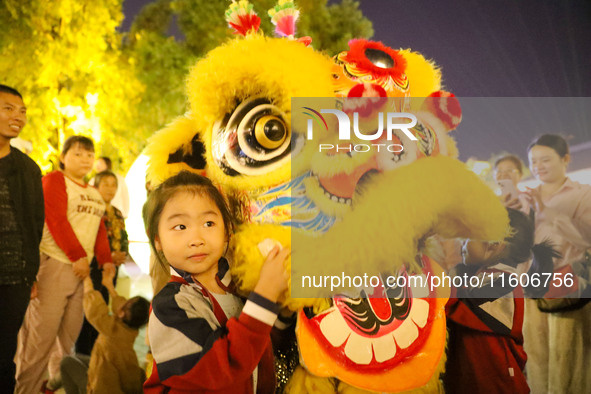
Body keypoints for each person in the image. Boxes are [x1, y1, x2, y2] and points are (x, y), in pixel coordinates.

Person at [142, 171, 290, 393]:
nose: (196, 239)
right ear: (157, 239)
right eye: (180, 227)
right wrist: (266, 294)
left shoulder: (239, 287)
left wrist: (282, 309)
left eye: (209, 223)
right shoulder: (169, 307)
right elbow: (221, 372)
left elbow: (262, 343)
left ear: (227, 230)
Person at [15, 136, 116, 394]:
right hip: (56, 265)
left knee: (68, 337)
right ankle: (24, 388)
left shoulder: (93, 192)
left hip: (82, 272)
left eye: (90, 156)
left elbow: (99, 229)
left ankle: (51, 385)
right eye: (78, 154)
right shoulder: (54, 181)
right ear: (63, 157)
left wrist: (105, 260)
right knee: (40, 339)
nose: (86, 160)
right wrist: (77, 255)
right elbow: (55, 220)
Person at [444, 208, 556, 394]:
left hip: (498, 384)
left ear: (494, 244)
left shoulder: (505, 285)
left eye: (469, 237)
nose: (462, 244)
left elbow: (456, 306)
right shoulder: (481, 275)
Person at [522, 134, 591, 394]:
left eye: (545, 159)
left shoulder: (583, 193)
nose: (538, 166)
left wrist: (551, 214)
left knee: (569, 359)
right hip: (533, 285)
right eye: (533, 161)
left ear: (565, 159)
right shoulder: (526, 196)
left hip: (567, 284)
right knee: (536, 356)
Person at [0, 84, 44, 391]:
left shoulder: (28, 169)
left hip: (15, 276)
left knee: (4, 355)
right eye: (8, 108)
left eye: (23, 111)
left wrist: (31, 274)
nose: (18, 116)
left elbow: (34, 225)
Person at [60, 266, 149, 394]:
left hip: (98, 389)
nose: (123, 302)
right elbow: (133, 384)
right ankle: (51, 386)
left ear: (121, 314)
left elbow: (95, 309)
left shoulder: (110, 328)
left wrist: (86, 278)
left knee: (67, 363)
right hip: (108, 378)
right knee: (79, 358)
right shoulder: (129, 336)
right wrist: (109, 285)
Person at [76, 170, 129, 355]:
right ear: (96, 186)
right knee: (90, 308)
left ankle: (97, 350)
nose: (110, 188)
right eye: (105, 184)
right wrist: (108, 257)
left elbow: (123, 236)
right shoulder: (92, 209)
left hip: (111, 269)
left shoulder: (117, 212)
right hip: (94, 266)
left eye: (113, 184)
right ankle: (83, 353)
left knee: (104, 306)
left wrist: (122, 255)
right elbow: (89, 239)